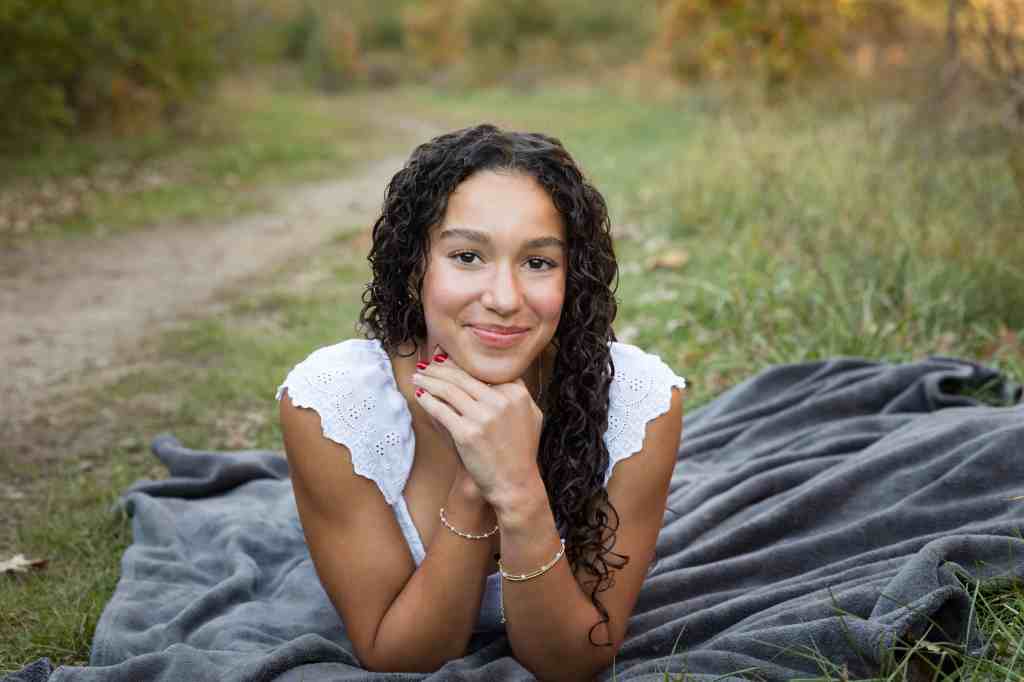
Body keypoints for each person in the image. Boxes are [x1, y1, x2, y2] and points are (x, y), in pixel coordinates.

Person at [276, 124, 687, 680]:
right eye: (467, 256)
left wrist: (519, 491)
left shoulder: (639, 404)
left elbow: (571, 663)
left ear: (573, 276)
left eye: (538, 262)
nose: (503, 299)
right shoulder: (332, 405)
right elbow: (399, 656)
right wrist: (478, 479)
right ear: (415, 264)